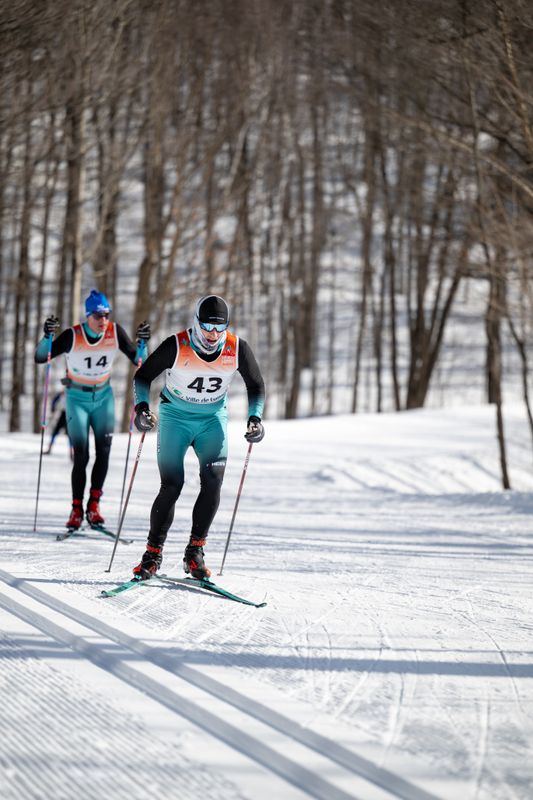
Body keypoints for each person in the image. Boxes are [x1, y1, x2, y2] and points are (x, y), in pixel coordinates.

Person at [131, 294, 265, 580]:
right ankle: (152, 554)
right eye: (207, 327)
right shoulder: (176, 345)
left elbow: (256, 385)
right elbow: (142, 377)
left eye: (220, 328)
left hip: (211, 420)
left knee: (213, 482)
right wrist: (141, 409)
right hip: (175, 418)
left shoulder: (237, 347)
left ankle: (195, 551)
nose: (214, 334)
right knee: (172, 485)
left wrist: (255, 418)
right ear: (196, 323)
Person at [35, 289, 151, 530]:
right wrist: (46, 336)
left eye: (106, 315)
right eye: (98, 316)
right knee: (82, 455)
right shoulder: (72, 335)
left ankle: (94, 505)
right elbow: (41, 357)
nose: (103, 320)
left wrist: (142, 343)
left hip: (103, 398)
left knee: (105, 451)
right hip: (76, 398)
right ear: (88, 315)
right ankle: (76, 509)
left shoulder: (115, 332)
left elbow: (139, 360)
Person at [45, 390, 70, 455]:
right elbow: (54, 401)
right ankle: (49, 449)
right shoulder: (61, 394)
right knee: (55, 432)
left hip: (70, 415)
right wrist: (52, 409)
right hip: (63, 414)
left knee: (70, 435)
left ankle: (72, 453)